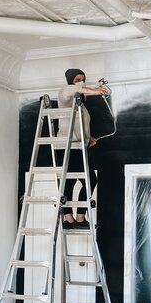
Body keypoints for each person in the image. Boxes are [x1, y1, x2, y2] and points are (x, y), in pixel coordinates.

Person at [57, 68, 108, 229]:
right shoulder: (65, 94)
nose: (81, 81)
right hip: (67, 146)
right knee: (72, 182)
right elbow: (75, 89)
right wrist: (96, 90)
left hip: (80, 146)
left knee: (87, 180)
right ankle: (70, 218)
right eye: (78, 79)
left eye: (83, 78)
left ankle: (77, 217)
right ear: (71, 80)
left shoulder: (81, 106)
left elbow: (81, 126)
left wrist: (89, 138)